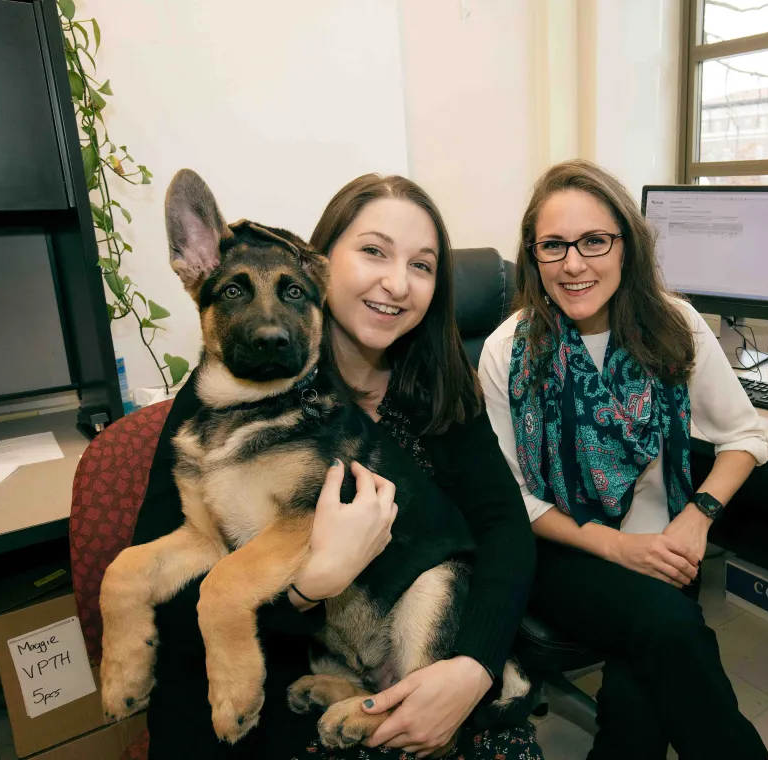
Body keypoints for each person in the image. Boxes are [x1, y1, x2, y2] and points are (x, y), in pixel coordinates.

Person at [132, 173, 543, 760]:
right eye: (373, 251)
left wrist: (474, 667)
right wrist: (305, 589)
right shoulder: (239, 387)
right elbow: (171, 605)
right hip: (271, 674)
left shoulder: (439, 382)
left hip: (422, 643)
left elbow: (505, 529)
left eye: (422, 265)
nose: (397, 283)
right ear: (322, 264)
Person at [480, 159, 768, 760]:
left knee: (637, 713)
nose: (574, 263)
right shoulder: (507, 350)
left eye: (594, 241)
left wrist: (695, 520)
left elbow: (746, 436)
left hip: (665, 545)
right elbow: (513, 499)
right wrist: (617, 548)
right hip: (561, 551)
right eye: (553, 245)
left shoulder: (674, 324)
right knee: (672, 631)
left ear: (627, 246)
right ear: (533, 257)